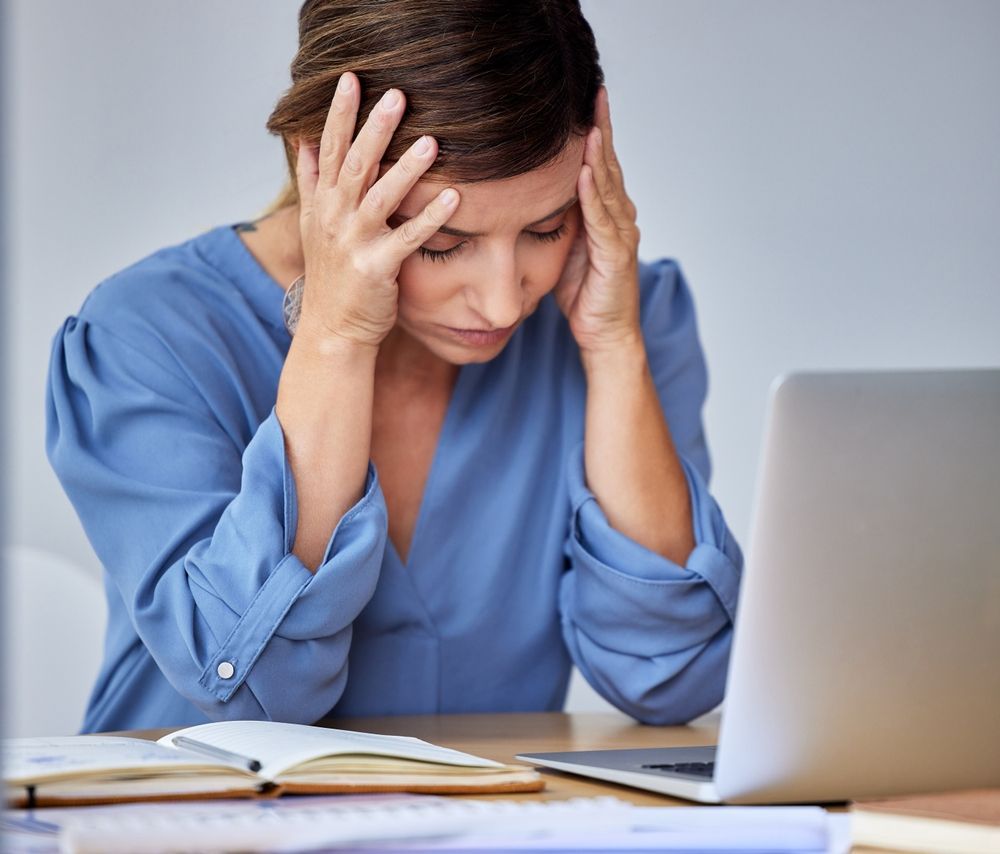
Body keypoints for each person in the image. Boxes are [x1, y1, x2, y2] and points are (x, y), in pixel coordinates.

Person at [46, 0, 743, 733]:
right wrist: (336, 337)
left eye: (545, 229)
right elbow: (247, 690)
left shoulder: (620, 310)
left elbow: (670, 673)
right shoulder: (150, 337)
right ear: (316, 160)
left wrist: (612, 347)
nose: (504, 303)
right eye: (441, 243)